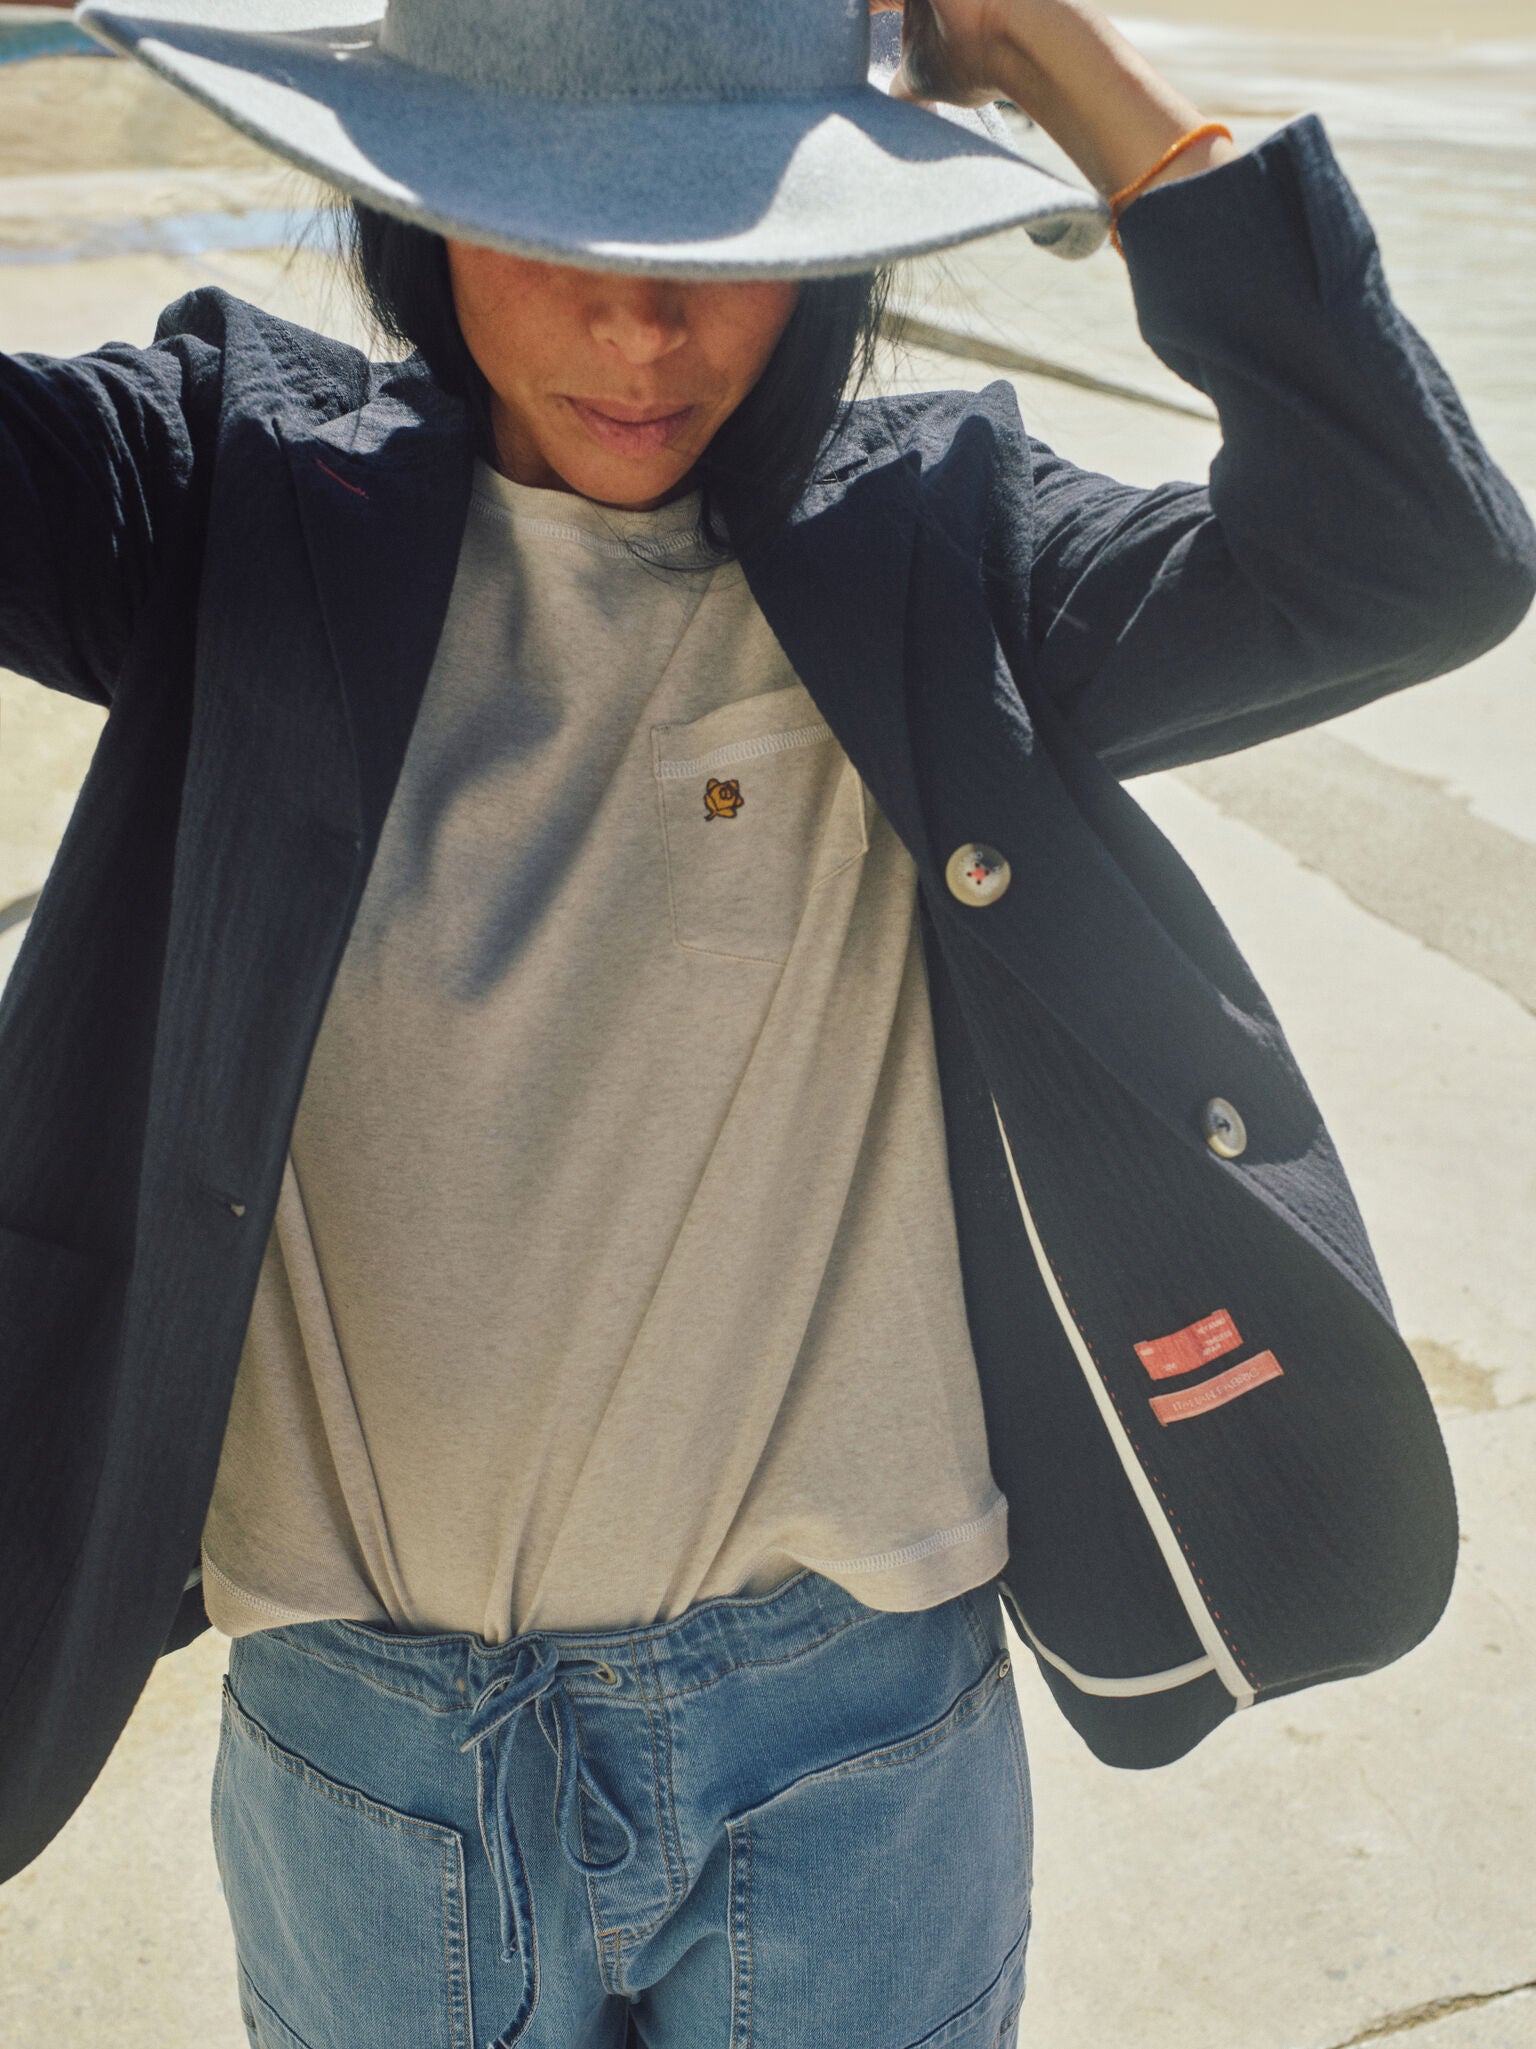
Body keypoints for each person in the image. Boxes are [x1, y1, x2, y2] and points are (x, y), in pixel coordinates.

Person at [1, 0, 1531, 2041]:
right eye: (558, 230)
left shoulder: (939, 545)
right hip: (368, 1756)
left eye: (722, 243)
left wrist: (1045, 53)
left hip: (847, 1735)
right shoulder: (227, 492)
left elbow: (1413, 549)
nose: (643, 336)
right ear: (417, 202)